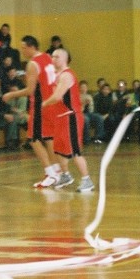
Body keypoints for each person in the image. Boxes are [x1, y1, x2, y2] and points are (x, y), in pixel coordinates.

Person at [2, 35, 60, 188]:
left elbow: (30, 90)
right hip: (52, 102)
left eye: (23, 47)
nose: (22, 50)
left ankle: (50, 173)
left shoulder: (32, 64)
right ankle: (57, 170)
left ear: (30, 47)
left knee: (33, 139)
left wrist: (11, 94)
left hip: (40, 105)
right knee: (48, 138)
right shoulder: (47, 57)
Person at [42, 49, 94, 192]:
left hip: (70, 116)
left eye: (56, 57)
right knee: (58, 149)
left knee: (75, 151)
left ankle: (86, 179)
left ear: (64, 59)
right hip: (60, 117)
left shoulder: (66, 75)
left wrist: (44, 103)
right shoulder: (57, 75)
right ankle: (66, 175)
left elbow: (57, 97)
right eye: (52, 56)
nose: (53, 59)